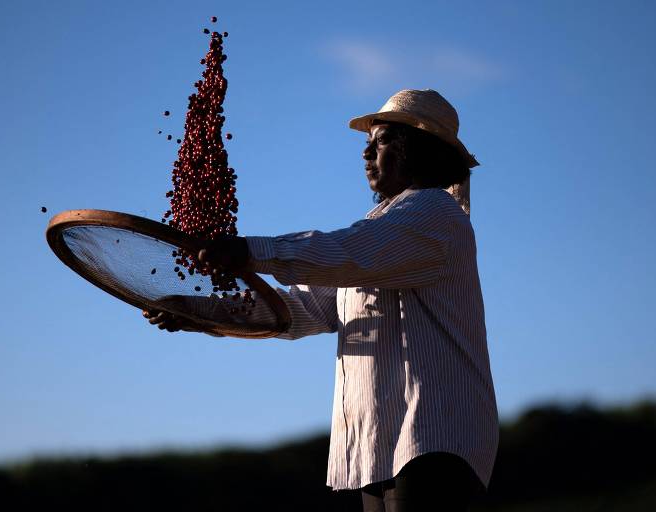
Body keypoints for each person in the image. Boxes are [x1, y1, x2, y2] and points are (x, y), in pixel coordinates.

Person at [144, 89, 499, 511]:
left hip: (434, 439)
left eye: (382, 140)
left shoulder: (434, 214)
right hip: (383, 444)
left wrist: (250, 251)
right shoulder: (381, 230)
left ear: (418, 149)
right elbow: (302, 310)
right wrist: (199, 311)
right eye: (367, 144)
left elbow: (350, 252)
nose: (367, 153)